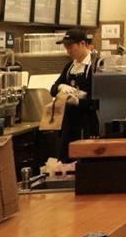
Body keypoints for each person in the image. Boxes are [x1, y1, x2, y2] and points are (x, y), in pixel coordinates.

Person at [49, 28, 99, 161]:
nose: (68, 51)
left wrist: (79, 101)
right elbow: (52, 89)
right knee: (66, 162)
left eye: (70, 46)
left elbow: (99, 100)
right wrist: (61, 86)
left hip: (88, 123)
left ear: (82, 44)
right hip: (69, 125)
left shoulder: (96, 65)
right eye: (66, 47)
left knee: (84, 163)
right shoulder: (69, 67)